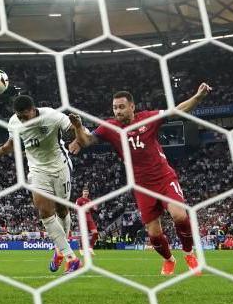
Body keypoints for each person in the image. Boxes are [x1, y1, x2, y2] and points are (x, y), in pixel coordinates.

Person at [69, 84, 212, 275]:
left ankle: (188, 253)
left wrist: (198, 97)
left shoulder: (148, 118)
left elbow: (177, 111)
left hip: (163, 177)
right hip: (141, 186)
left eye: (121, 106)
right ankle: (169, 259)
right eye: (115, 108)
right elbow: (86, 141)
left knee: (179, 215)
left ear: (132, 106)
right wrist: (78, 128)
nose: (117, 111)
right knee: (153, 234)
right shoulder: (110, 127)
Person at [0, 95, 81, 274]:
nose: (23, 120)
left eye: (25, 116)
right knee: (45, 211)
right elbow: (12, 143)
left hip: (60, 167)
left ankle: (59, 249)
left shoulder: (51, 116)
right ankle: (71, 257)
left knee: (62, 210)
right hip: (37, 171)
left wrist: (77, 133)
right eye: (19, 117)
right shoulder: (14, 122)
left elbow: (74, 128)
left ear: (33, 110)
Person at [74, 187, 98, 255]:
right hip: (82, 219)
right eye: (84, 191)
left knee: (95, 233)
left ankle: (90, 248)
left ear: (88, 193)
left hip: (90, 219)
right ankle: (81, 249)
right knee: (83, 235)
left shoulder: (89, 201)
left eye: (87, 191)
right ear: (82, 192)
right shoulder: (79, 200)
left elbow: (94, 209)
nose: (86, 193)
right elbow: (76, 209)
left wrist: (94, 208)